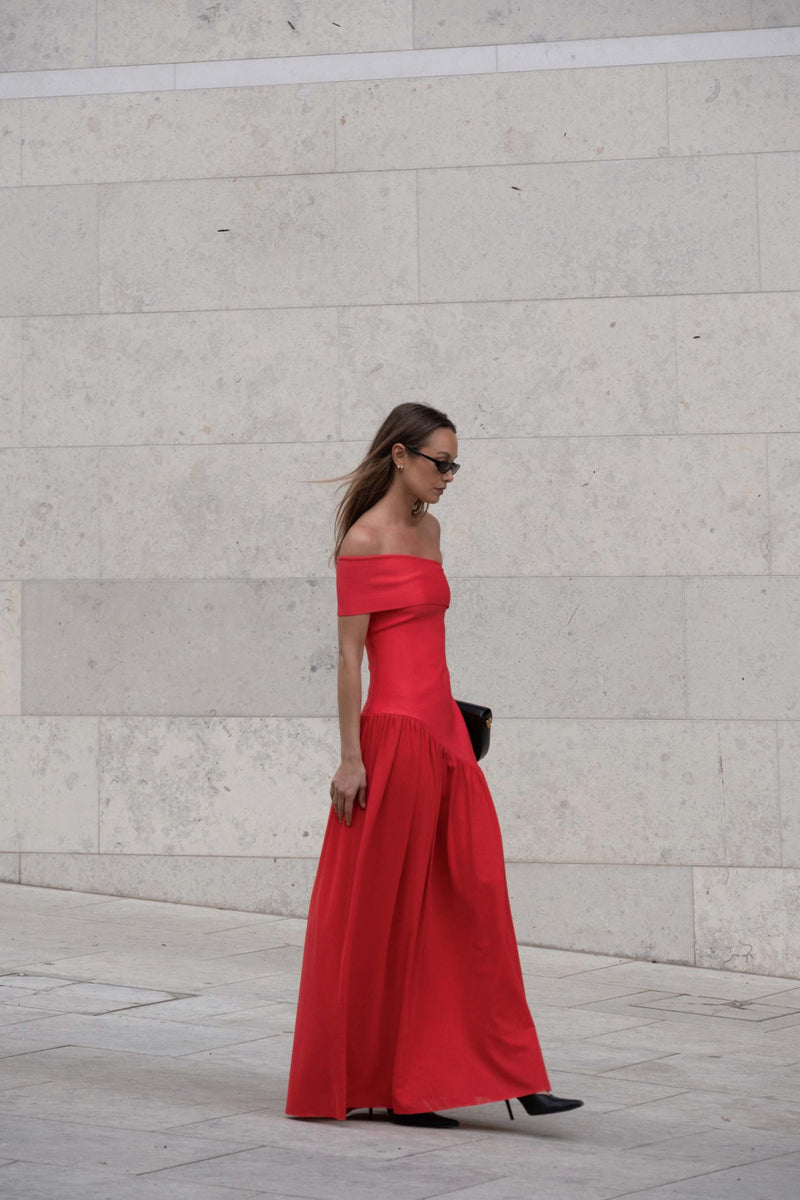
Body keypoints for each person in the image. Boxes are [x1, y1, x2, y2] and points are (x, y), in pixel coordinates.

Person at [285, 402, 583, 1128]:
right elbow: (352, 655)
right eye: (439, 461)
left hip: (446, 741)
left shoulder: (432, 532)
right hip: (393, 743)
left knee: (473, 902)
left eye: (456, 464)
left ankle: (512, 1071)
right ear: (399, 455)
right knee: (391, 917)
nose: (450, 475)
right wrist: (350, 758)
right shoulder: (363, 540)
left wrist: (455, 726)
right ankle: (398, 1086)